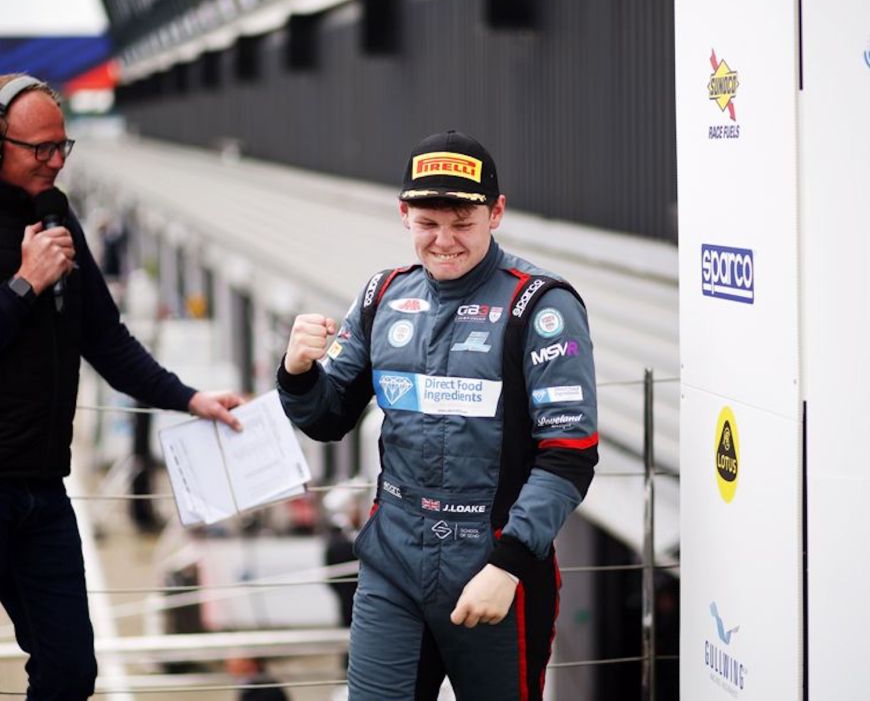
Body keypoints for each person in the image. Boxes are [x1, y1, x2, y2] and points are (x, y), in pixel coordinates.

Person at [277, 130, 598, 700]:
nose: (444, 241)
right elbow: (328, 419)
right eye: (428, 223)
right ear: (403, 214)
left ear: (496, 213)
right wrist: (298, 372)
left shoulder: (541, 305)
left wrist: (508, 564)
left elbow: (569, 456)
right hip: (392, 564)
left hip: (494, 567)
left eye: (462, 223)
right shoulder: (381, 295)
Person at [0, 72, 244, 699]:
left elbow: (106, 340)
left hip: (41, 491)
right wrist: (25, 285)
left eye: (62, 146)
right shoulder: (36, 253)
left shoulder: (58, 222)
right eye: (39, 149)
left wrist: (190, 398)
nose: (56, 161)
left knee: (70, 670)